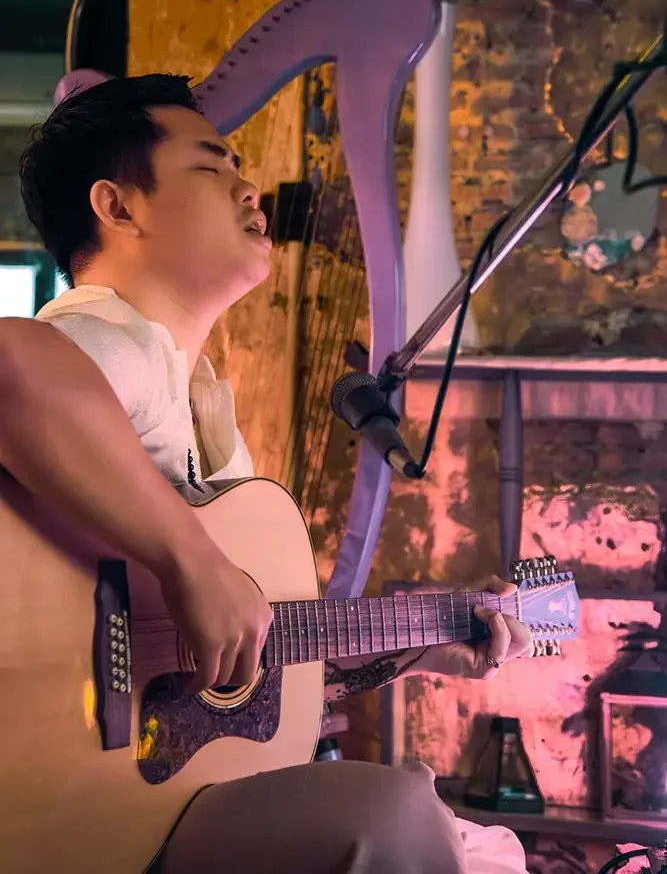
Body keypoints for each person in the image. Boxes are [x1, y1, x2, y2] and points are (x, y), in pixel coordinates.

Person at [0, 74, 533, 873]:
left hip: (148, 799)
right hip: (73, 802)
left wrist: (427, 638)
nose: (249, 187)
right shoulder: (107, 337)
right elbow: (11, 367)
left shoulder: (193, 390)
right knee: (389, 813)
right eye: (211, 168)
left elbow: (243, 658)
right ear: (119, 207)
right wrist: (196, 562)